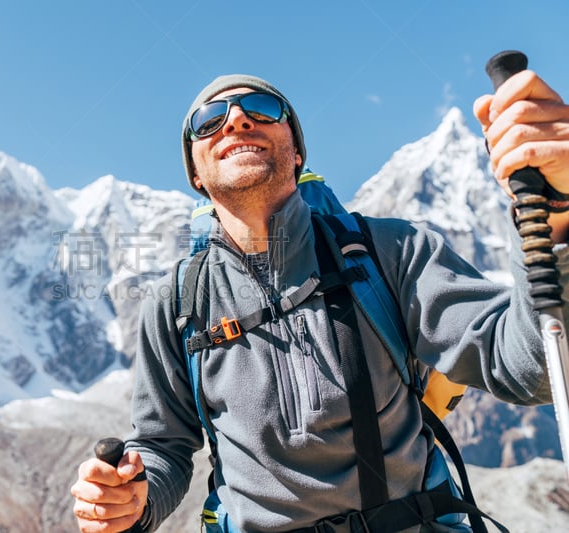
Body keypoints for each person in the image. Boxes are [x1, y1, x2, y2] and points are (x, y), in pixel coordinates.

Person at [70, 66, 569, 532]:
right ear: (196, 177)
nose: (237, 119)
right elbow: (164, 446)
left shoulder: (390, 252)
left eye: (262, 108)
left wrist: (556, 220)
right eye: (208, 121)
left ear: (298, 151)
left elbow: (529, 367)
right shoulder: (176, 301)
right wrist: (132, 500)